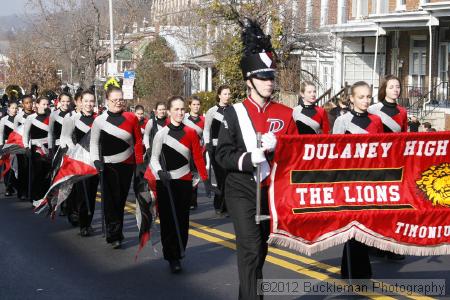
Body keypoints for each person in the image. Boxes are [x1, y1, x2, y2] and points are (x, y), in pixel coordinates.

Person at [215, 19, 297, 299]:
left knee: (259, 251)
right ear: (250, 80)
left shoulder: (286, 114)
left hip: (270, 190)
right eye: (263, 77)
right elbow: (223, 154)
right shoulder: (234, 113)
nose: (269, 82)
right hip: (241, 188)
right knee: (249, 248)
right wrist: (251, 157)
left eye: (271, 77)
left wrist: (281, 148)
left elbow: (297, 155)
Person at [150, 96, 209, 273]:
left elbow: (197, 157)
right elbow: (154, 158)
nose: (180, 112)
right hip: (166, 182)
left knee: (182, 220)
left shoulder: (191, 132)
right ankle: (171, 256)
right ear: (169, 111)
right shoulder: (161, 134)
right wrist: (160, 172)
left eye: (182, 109)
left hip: (184, 181)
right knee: (168, 220)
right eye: (176, 109)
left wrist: (205, 180)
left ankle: (180, 250)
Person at [333, 81, 383, 279]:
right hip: (349, 179)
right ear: (352, 98)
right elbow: (334, 151)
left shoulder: (376, 120)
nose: (365, 100)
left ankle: (354, 270)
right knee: (353, 226)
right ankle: (355, 272)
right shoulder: (342, 121)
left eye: (368, 97)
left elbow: (382, 150)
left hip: (369, 178)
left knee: (365, 225)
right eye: (361, 97)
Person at [90, 86, 144, 248]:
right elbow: (94, 143)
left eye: (121, 99)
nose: (118, 103)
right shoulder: (99, 120)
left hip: (126, 165)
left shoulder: (131, 118)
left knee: (120, 199)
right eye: (115, 100)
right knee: (110, 200)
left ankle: (117, 230)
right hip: (107, 165)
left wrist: (139, 163)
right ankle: (114, 234)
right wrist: (96, 161)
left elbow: (138, 141)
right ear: (107, 101)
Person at [61, 90, 98, 236]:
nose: (89, 104)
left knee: (91, 193)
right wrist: (77, 151)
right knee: (81, 193)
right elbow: (66, 138)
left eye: (91, 101)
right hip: (79, 160)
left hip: (94, 161)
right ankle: (83, 223)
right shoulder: (73, 119)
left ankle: (88, 222)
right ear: (80, 102)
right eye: (86, 101)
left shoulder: (98, 120)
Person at [204, 85, 231, 215]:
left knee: (229, 178)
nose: (227, 96)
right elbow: (206, 129)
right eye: (225, 94)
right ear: (219, 95)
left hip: (230, 148)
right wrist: (208, 144)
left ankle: (227, 206)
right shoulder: (212, 111)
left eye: (229, 94)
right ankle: (219, 205)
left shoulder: (233, 110)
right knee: (221, 178)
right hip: (215, 148)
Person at [23, 96, 51, 202]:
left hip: (48, 147)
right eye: (43, 104)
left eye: (47, 104)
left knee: (47, 172)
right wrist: (26, 147)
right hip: (35, 147)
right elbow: (25, 134)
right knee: (37, 172)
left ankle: (45, 195)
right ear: (37, 105)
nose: (45, 106)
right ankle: (36, 196)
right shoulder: (31, 118)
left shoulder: (50, 117)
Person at [183, 96, 205, 210]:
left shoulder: (203, 120)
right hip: (185, 150)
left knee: (195, 176)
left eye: (198, 104)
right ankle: (185, 199)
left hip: (197, 151)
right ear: (189, 106)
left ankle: (193, 201)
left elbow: (206, 137)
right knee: (185, 175)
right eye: (194, 104)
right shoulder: (184, 119)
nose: (196, 106)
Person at [14, 95, 34, 201]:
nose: (29, 105)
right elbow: (15, 132)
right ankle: (22, 191)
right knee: (23, 168)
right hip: (21, 146)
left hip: (33, 144)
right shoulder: (18, 117)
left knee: (32, 169)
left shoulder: (35, 115)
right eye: (26, 103)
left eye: (30, 102)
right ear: (23, 104)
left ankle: (31, 191)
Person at [0, 101, 19, 196]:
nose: (14, 110)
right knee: (8, 166)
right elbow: (1, 134)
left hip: (19, 144)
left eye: (16, 108)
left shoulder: (20, 119)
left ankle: (16, 185)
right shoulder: (4, 120)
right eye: (12, 108)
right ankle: (8, 187)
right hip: (7, 144)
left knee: (17, 166)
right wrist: (1, 145)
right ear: (8, 109)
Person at [48, 92, 73, 157]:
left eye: (68, 101)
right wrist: (50, 148)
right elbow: (50, 133)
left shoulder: (74, 114)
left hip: (72, 146)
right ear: (59, 101)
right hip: (58, 146)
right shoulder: (54, 114)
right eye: (63, 101)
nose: (65, 103)